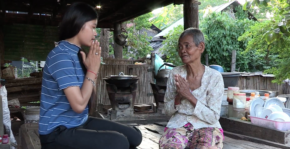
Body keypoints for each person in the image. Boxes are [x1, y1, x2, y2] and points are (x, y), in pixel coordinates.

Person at [38, 2, 142, 149]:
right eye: (93, 27)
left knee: (135, 136)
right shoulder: (60, 56)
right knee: (119, 142)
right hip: (56, 132)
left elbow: (89, 99)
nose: (95, 33)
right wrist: (92, 71)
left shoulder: (77, 54)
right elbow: (79, 105)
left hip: (79, 122)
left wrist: (91, 71)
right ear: (78, 23)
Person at [159, 28, 224, 149]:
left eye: (187, 46)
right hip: (179, 124)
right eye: (180, 47)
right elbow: (167, 111)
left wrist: (188, 95)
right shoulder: (176, 73)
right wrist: (179, 96)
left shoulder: (214, 77)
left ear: (201, 47)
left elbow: (213, 117)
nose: (182, 51)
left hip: (207, 126)